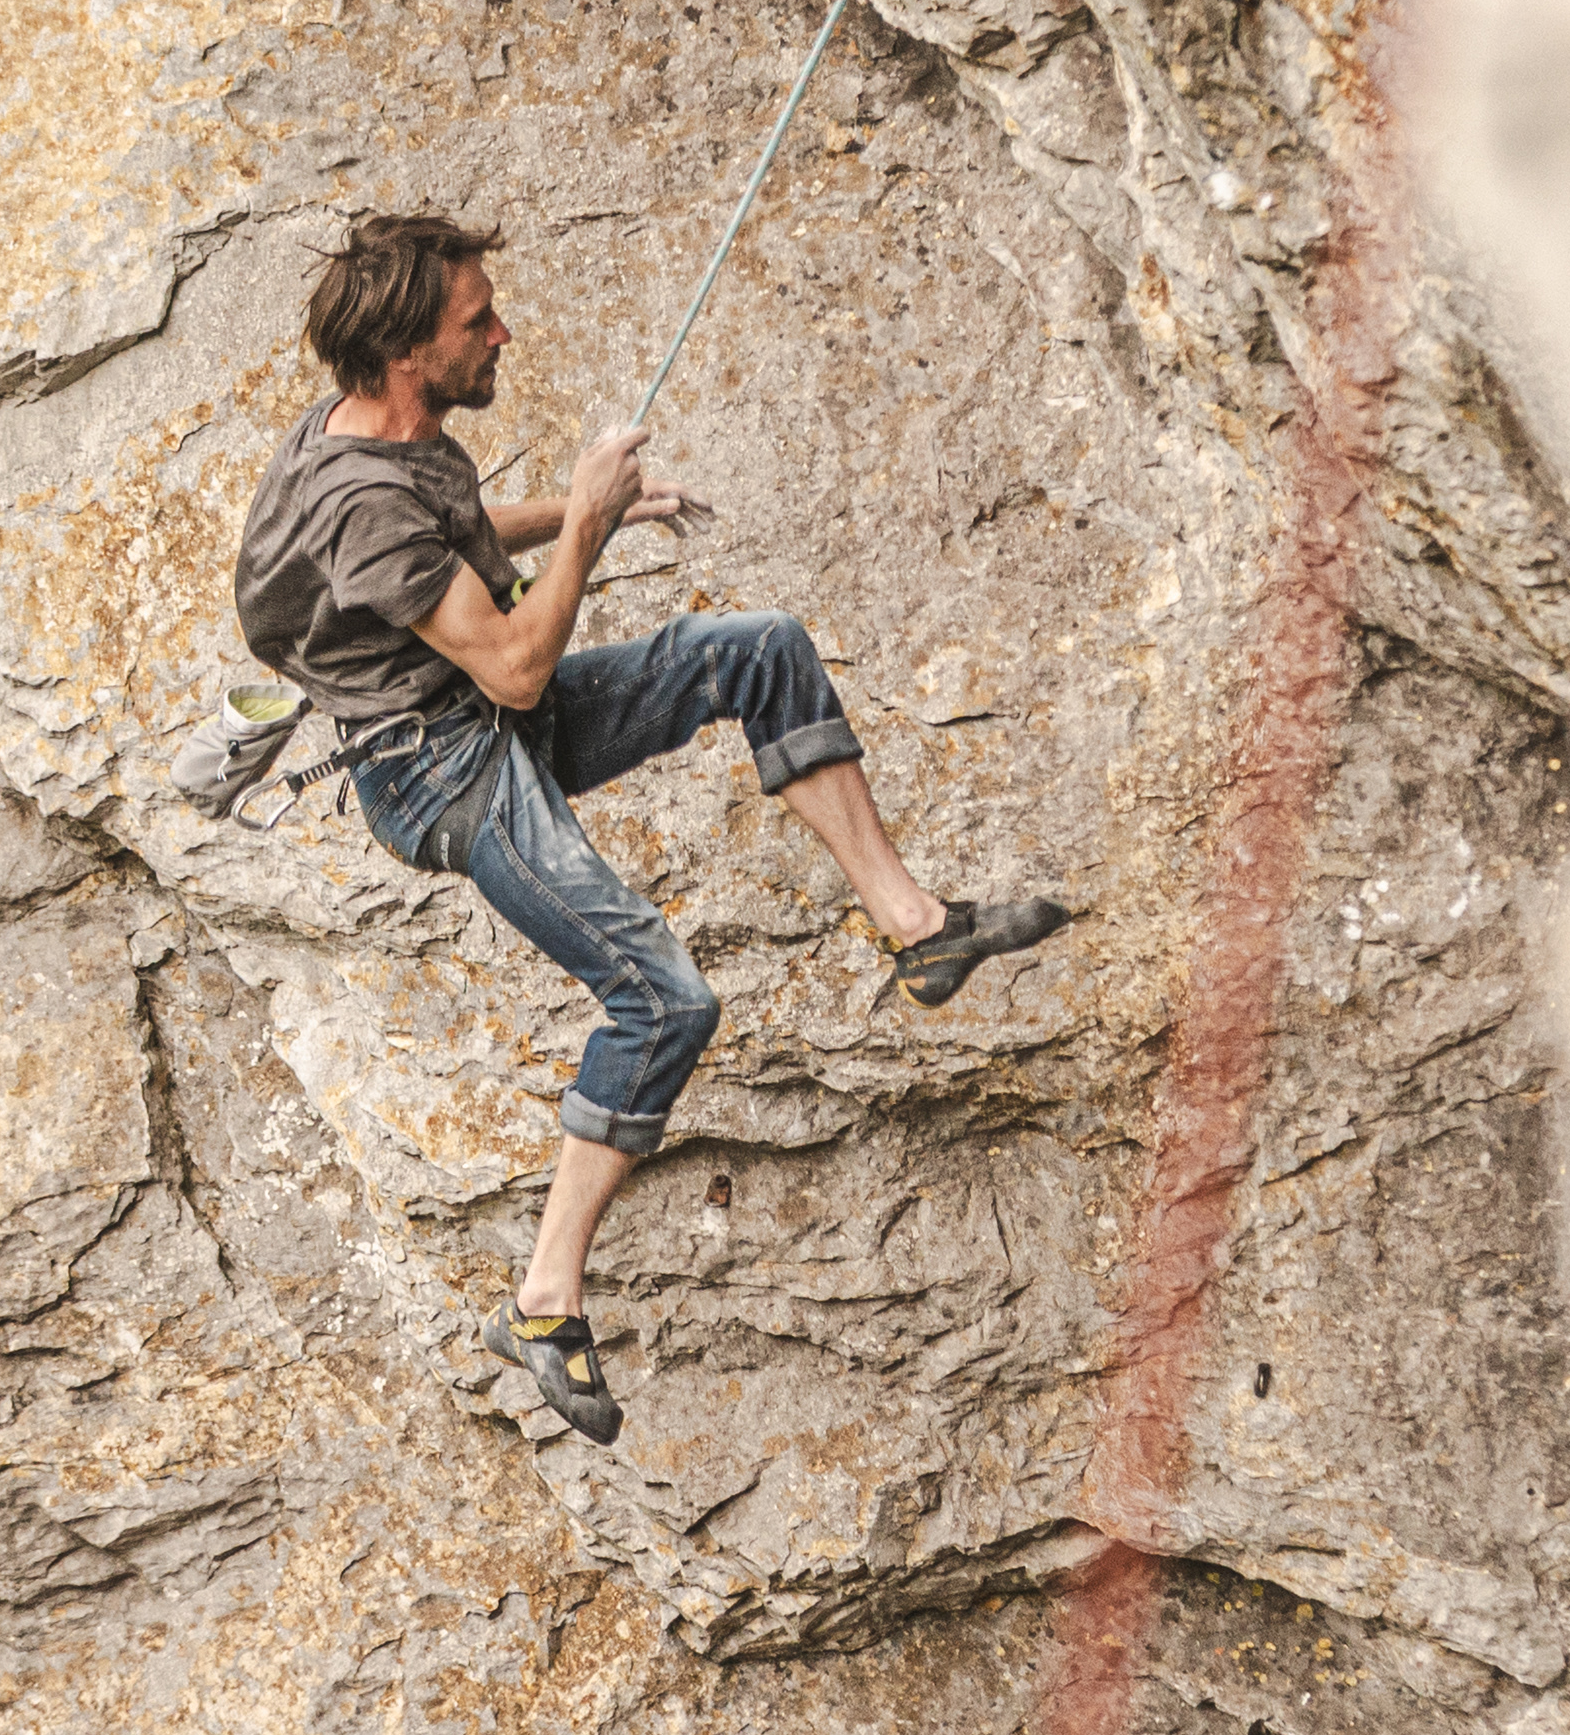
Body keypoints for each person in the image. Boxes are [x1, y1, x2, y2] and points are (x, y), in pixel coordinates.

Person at [230, 212, 1068, 1443]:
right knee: (663, 999)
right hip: (440, 768)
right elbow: (516, 664)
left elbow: (448, 552)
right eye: (477, 320)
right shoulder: (357, 504)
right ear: (408, 351)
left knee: (759, 651)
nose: (502, 332)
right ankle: (543, 1300)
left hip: (475, 717)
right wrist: (584, 518)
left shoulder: (378, 436)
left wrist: (591, 517)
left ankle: (918, 928)